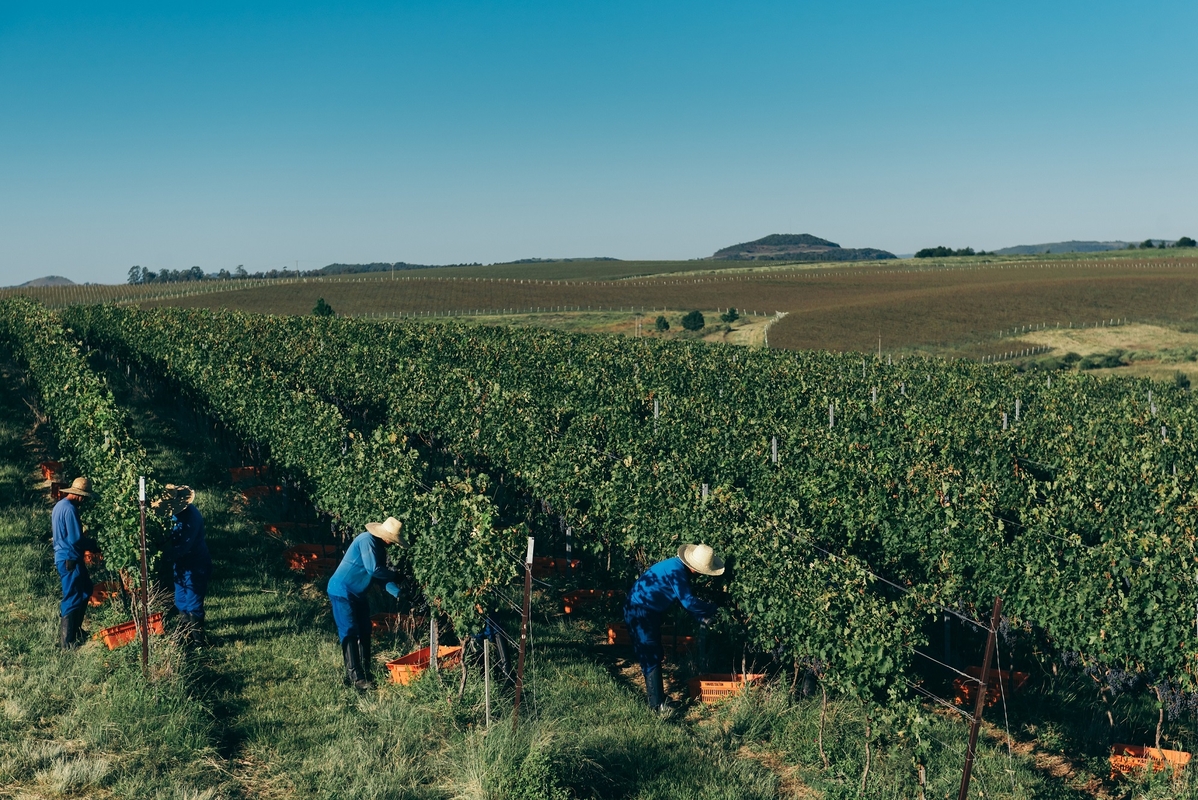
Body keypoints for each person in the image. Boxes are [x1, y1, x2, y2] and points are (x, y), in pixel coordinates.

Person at [624, 543, 725, 712]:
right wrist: (713, 609)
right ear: (695, 567)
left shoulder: (675, 566)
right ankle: (657, 705)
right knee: (650, 654)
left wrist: (700, 616)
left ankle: (659, 698)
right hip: (641, 611)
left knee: (653, 652)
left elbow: (682, 599)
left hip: (643, 609)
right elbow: (688, 601)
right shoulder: (677, 572)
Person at [327, 516, 404, 690]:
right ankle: (356, 677)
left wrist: (399, 593)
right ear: (384, 535)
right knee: (349, 630)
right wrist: (395, 575)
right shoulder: (366, 540)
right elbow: (374, 569)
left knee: (365, 629)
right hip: (342, 591)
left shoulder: (379, 548)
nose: (392, 543)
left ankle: (366, 671)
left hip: (357, 594)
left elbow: (379, 577)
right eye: (392, 539)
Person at [162, 484, 211, 645]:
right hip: (181, 563)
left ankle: (199, 641)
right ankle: (186, 637)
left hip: (195, 562)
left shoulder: (191, 518)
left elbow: (184, 547)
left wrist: (161, 555)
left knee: (193, 600)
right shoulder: (175, 514)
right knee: (180, 599)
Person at [52, 477, 97, 649]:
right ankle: (67, 641)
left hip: (65, 556)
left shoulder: (59, 506)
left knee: (86, 589)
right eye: (84, 497)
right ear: (79, 495)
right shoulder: (70, 509)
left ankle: (76, 630)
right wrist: (93, 544)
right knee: (72, 596)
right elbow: (76, 538)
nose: (84, 501)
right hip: (69, 557)